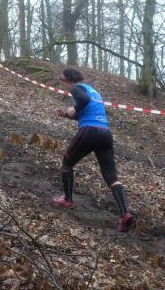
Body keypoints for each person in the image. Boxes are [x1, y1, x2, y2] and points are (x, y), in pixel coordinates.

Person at [53, 67, 135, 232]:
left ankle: (67, 200)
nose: (64, 85)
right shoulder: (93, 91)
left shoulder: (77, 88)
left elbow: (82, 101)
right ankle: (125, 214)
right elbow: (87, 110)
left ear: (68, 79)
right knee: (111, 177)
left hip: (90, 131)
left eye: (62, 81)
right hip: (105, 134)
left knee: (67, 162)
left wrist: (74, 109)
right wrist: (67, 115)